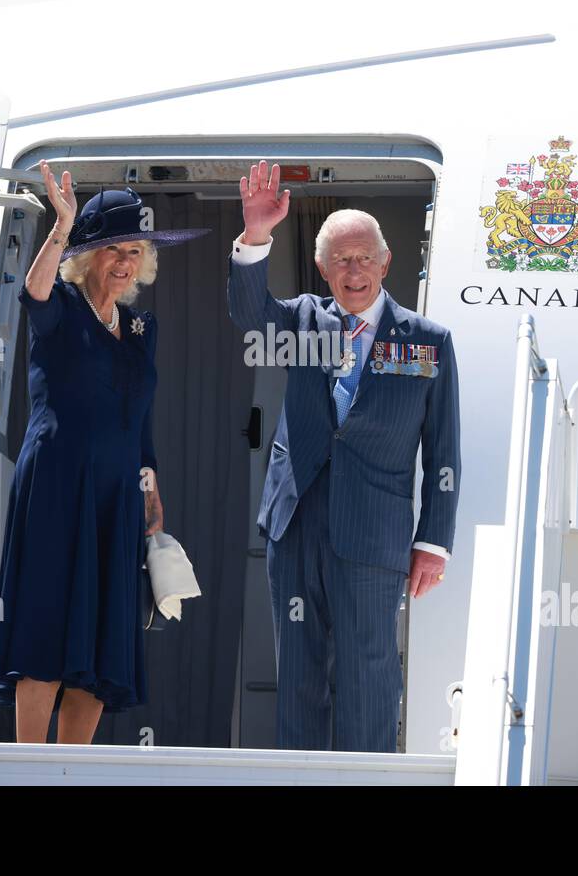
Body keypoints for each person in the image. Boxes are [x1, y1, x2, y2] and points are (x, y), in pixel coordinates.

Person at [228, 160, 461, 753]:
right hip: (298, 523)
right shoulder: (302, 321)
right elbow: (249, 314)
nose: (353, 271)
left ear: (386, 264)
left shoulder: (427, 341)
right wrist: (256, 233)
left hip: (374, 532)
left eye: (364, 259)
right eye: (341, 259)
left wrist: (433, 541)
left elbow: (442, 448)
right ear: (322, 266)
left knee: (370, 677)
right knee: (299, 679)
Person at [0, 168, 210, 744]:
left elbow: (140, 417)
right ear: (87, 256)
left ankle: (69, 773)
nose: (125, 262)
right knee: (48, 630)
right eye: (112, 250)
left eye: (135, 251)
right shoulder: (58, 304)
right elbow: (31, 290)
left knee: (101, 643)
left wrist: (150, 486)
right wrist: (61, 225)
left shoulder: (140, 327)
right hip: (57, 489)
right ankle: (32, 775)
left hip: (117, 497)